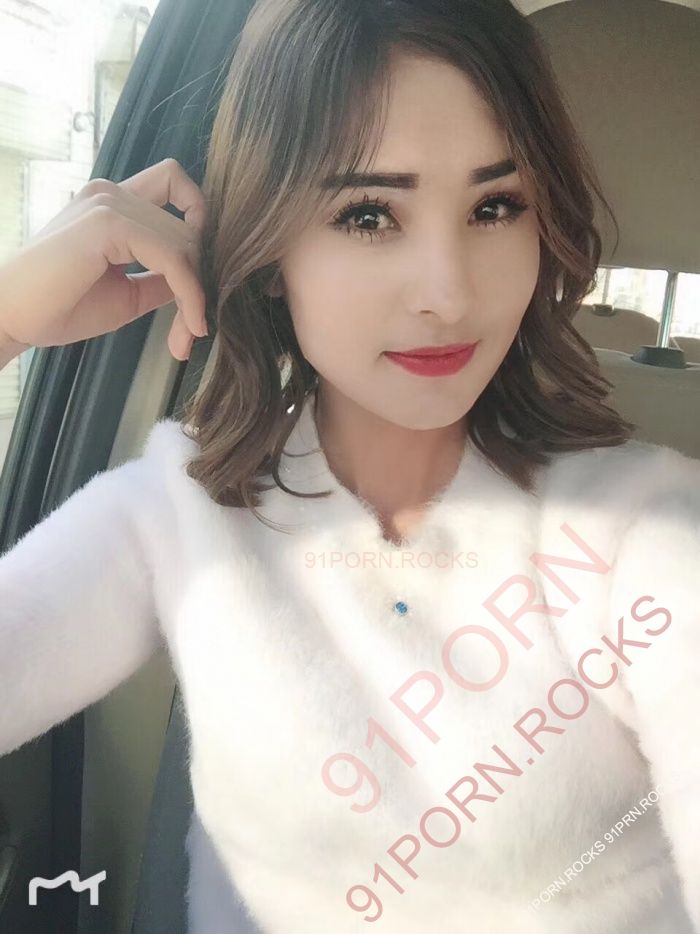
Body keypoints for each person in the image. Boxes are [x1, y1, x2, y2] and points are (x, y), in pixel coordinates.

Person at [1, 0, 699, 932]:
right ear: (269, 250)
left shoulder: (646, 528)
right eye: (369, 214)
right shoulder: (178, 513)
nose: (448, 291)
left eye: (495, 207)